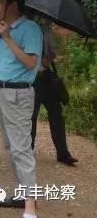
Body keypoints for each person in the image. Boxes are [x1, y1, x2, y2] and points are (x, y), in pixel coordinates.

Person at [0, 0, 42, 218]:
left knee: (21, 149)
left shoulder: (30, 29)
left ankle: (31, 210)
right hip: (0, 91)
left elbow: (30, 63)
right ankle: (22, 194)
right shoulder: (1, 27)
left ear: (13, 5)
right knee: (9, 146)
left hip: (19, 94)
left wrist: (7, 38)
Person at [31, 21, 77, 166]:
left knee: (56, 114)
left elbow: (53, 53)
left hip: (44, 76)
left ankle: (63, 154)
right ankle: (27, 153)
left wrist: (47, 59)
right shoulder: (21, 30)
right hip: (29, 79)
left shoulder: (45, 31)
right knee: (31, 117)